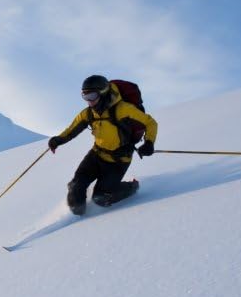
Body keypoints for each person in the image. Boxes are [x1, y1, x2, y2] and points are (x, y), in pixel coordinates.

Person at [47, 75, 158, 215]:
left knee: (101, 198)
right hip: (96, 155)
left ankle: (132, 186)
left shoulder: (123, 109)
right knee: (76, 188)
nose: (89, 101)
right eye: (85, 96)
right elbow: (72, 129)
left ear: (103, 92)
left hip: (118, 160)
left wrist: (149, 143)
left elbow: (150, 123)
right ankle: (77, 220)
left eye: (92, 96)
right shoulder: (89, 113)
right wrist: (58, 140)